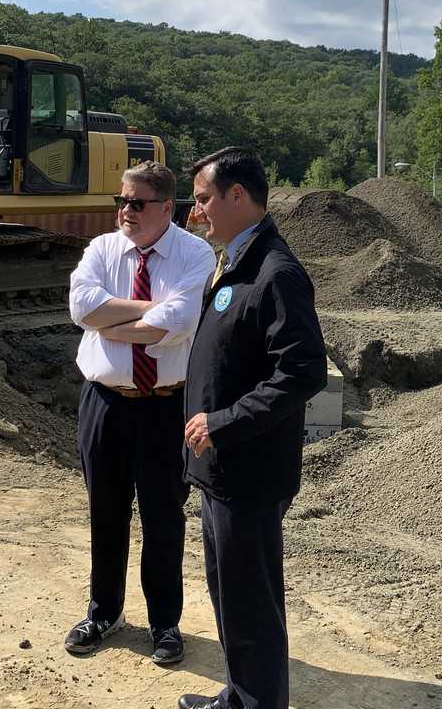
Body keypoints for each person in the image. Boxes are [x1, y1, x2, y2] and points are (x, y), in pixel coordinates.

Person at [180, 147, 328, 709]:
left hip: (248, 471)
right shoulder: (237, 261)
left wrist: (224, 421)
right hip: (221, 469)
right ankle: (239, 698)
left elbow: (303, 371)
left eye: (203, 199)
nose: (197, 213)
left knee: (253, 606)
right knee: (231, 597)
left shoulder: (276, 272)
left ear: (237, 196)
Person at [66, 161, 216, 664]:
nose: (124, 211)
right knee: (104, 512)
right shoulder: (102, 248)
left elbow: (175, 322)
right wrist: (144, 308)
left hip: (166, 406)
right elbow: (81, 309)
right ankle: (103, 612)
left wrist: (113, 319)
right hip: (105, 403)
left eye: (136, 203)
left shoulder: (194, 253)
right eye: (121, 201)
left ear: (165, 207)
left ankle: (165, 624)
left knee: (162, 518)